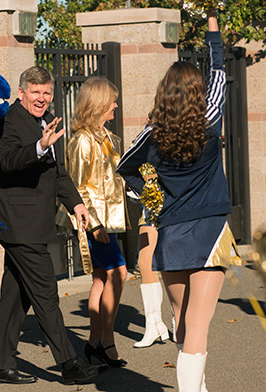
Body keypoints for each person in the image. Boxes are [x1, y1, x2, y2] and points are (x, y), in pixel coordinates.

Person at [117, 10, 242, 392]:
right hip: (208, 231)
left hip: (170, 231)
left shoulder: (153, 131)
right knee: (198, 328)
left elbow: (125, 167)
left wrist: (149, 192)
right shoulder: (211, 115)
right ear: (198, 92)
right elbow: (218, 68)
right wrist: (211, 20)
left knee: (182, 323)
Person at [0, 66, 101, 385]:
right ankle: (69, 363)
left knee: (15, 294)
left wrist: (76, 203)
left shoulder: (44, 122)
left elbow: (56, 171)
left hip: (32, 223)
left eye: (47, 93)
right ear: (21, 92)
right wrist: (37, 147)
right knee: (46, 293)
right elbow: (5, 161)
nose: (42, 98)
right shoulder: (7, 121)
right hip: (18, 223)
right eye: (35, 92)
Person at [56, 76, 128, 367]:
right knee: (119, 273)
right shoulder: (82, 140)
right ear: (98, 104)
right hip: (93, 222)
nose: (116, 105)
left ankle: (95, 341)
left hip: (109, 219)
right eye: (111, 100)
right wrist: (95, 224)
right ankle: (106, 340)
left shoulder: (108, 137)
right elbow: (77, 185)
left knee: (101, 277)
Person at [134, 208, 170, 348]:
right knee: (144, 262)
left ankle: (178, 320)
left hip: (176, 202)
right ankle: (153, 324)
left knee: (173, 261)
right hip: (150, 206)